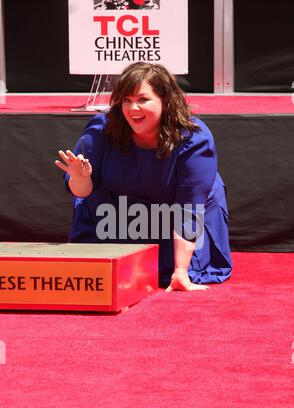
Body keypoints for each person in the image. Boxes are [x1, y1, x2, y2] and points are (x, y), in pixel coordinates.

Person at [55, 62, 232, 291]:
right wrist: (80, 179)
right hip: (116, 217)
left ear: (165, 100)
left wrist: (180, 272)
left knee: (167, 272)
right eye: (126, 100)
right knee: (104, 273)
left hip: (175, 219)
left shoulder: (193, 139)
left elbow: (189, 209)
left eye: (142, 100)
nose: (132, 109)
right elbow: (83, 193)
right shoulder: (100, 130)